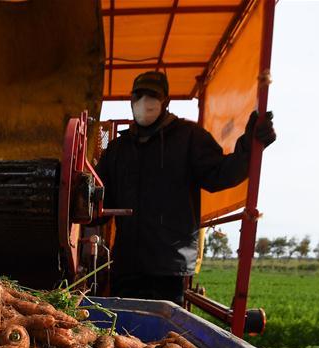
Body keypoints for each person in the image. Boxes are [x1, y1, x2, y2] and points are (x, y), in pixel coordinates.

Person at [97, 71, 276, 304]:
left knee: (163, 335)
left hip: (169, 268)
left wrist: (250, 147)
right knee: (123, 331)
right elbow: (100, 202)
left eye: (152, 95)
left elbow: (220, 175)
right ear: (131, 101)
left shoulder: (189, 138)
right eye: (138, 96)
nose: (144, 102)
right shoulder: (118, 149)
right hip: (127, 266)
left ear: (166, 101)